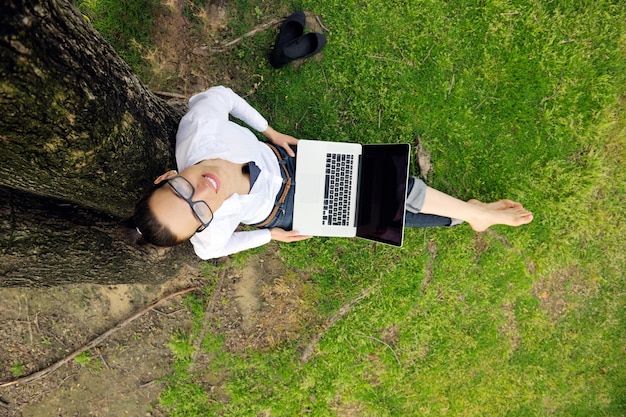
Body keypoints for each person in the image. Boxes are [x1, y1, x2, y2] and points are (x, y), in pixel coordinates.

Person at [124, 86, 533, 260]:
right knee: (381, 216)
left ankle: (475, 215)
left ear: (165, 176)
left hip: (294, 162)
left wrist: (268, 129)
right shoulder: (208, 236)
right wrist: (271, 235)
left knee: (385, 186)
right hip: (289, 211)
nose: (202, 191)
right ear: (200, 225)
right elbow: (214, 249)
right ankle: (467, 213)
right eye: (197, 211)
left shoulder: (199, 130)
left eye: (179, 188)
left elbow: (220, 97)